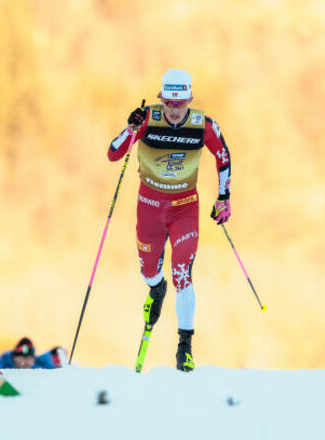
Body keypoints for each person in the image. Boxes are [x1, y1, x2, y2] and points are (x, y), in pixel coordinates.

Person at [108, 69, 232, 372]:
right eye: (169, 104)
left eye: (180, 104)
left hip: (184, 207)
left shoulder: (204, 125)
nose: (175, 111)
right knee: (149, 270)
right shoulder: (147, 120)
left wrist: (223, 197)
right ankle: (156, 287)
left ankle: (185, 346)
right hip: (149, 205)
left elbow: (223, 157)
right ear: (161, 99)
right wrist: (130, 128)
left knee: (182, 271)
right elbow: (114, 154)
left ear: (189, 99)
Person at [0, 337, 68, 369]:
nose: (26, 361)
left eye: (30, 358)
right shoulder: (4, 365)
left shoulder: (36, 368)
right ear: (14, 357)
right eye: (24, 358)